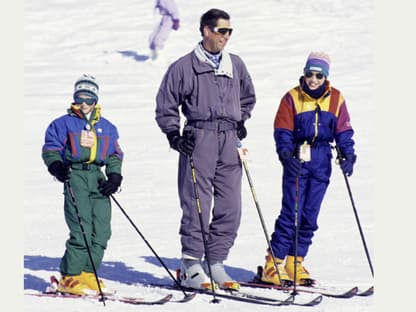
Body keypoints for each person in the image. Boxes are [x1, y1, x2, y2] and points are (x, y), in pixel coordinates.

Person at [155, 8, 256, 290]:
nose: (226, 36)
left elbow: (248, 96)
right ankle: (191, 265)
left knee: (230, 205)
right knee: (197, 202)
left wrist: (240, 120)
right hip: (199, 138)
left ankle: (216, 261)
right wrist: (174, 135)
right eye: (221, 31)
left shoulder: (235, 64)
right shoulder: (185, 66)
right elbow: (166, 103)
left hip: (229, 140)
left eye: (229, 31)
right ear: (206, 31)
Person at [261, 52, 356, 286]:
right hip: (298, 158)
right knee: (291, 213)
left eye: (319, 75)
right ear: (304, 73)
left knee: (310, 216)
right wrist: (285, 153)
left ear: (326, 77)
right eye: (309, 74)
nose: (313, 79)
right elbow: (282, 130)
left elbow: (343, 130)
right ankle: (274, 264)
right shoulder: (292, 97)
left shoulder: (336, 99)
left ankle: (295, 261)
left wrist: (348, 154)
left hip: (322, 160)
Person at [42, 74, 124, 295]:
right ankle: (69, 276)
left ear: (96, 100)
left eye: (89, 99)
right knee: (82, 229)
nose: (84, 104)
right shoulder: (64, 123)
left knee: (102, 231)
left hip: (97, 178)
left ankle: (88, 272)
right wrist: (56, 166)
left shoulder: (106, 127)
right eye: (79, 98)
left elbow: (115, 154)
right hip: (75, 176)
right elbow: (51, 148)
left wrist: (114, 176)